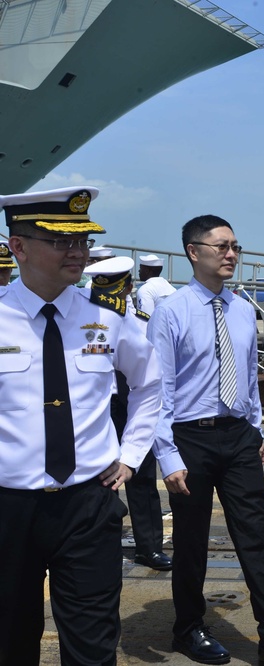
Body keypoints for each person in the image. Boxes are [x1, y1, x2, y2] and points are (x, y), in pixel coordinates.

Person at [0, 186, 162, 665]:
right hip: (9, 508)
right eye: (61, 241)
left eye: (83, 241)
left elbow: (151, 386)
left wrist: (131, 455)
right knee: (9, 641)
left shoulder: (107, 321)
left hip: (87, 505)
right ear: (18, 246)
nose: (77, 252)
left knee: (93, 645)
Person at [148, 215, 264, 666]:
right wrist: (167, 456)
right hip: (190, 437)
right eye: (221, 246)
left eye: (235, 246)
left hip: (238, 436)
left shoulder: (242, 309)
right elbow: (157, 390)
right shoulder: (172, 310)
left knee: (257, 537)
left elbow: (246, 378)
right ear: (193, 251)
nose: (231, 254)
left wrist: (255, 430)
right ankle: (188, 628)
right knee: (191, 540)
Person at [85, 256, 173, 573]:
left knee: (142, 474)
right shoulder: (88, 319)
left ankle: (149, 547)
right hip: (103, 404)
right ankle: (98, 545)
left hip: (133, 401)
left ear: (129, 286)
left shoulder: (141, 320)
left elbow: (151, 373)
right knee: (99, 478)